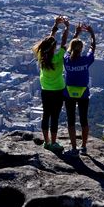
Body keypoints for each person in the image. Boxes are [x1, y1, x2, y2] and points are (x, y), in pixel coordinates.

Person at [32, 15, 69, 152]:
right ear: (54, 47)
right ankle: (54, 142)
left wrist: (55, 26)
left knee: (45, 115)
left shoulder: (41, 56)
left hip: (45, 90)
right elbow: (64, 43)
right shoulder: (58, 57)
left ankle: (46, 142)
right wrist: (66, 28)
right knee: (55, 116)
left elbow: (49, 41)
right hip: (58, 90)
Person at [64, 23, 96, 155]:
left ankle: (73, 148)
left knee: (71, 121)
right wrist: (92, 33)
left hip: (68, 93)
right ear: (81, 49)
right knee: (84, 120)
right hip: (83, 93)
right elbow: (93, 48)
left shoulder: (66, 60)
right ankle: (83, 146)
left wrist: (76, 34)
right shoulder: (85, 60)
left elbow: (68, 49)